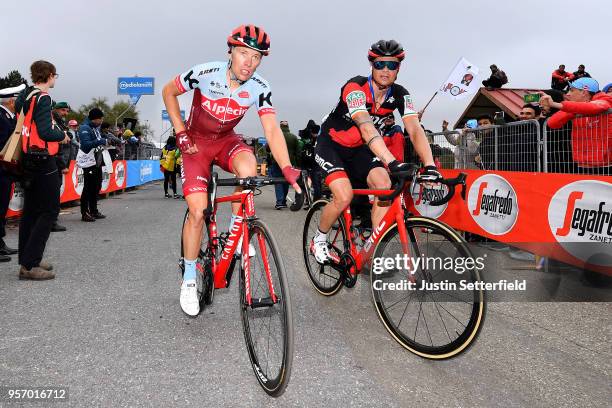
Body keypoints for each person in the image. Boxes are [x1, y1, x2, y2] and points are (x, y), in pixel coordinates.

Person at [162, 24, 301, 316]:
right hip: (195, 146)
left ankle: (239, 231)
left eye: (256, 57)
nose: (249, 62)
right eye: (243, 53)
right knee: (198, 211)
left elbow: (272, 129)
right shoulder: (205, 72)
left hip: (226, 142)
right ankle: (189, 277)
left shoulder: (260, 87)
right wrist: (180, 131)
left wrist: (287, 167)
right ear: (231, 52)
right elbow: (168, 91)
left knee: (248, 169)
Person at [310, 39, 439, 264]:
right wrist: (391, 161)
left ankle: (372, 250)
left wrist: (430, 165)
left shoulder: (401, 94)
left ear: (399, 68)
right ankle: (319, 240)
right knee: (344, 195)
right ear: (372, 65)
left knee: (383, 185)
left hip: (359, 149)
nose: (385, 70)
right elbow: (365, 124)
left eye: (392, 65)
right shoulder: (356, 87)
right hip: (331, 145)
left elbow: (414, 129)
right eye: (380, 64)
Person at [15, 60, 70, 280]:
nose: (55, 78)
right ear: (49, 75)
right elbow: (47, 132)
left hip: (28, 158)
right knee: (49, 211)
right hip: (42, 158)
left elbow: (22, 112)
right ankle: (30, 264)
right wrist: (62, 136)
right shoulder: (44, 98)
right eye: (55, 75)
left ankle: (27, 260)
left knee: (30, 211)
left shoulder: (28, 95)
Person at [542, 77, 612, 175]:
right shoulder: (576, 107)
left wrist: (555, 104)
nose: (568, 94)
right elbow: (552, 123)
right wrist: (572, 110)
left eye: (571, 90)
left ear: (584, 92)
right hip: (581, 163)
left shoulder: (605, 99)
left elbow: (595, 106)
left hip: (605, 165)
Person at [0, 84, 25, 262]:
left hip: (5, 172)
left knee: (1, 208)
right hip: (1, 171)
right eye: (17, 101)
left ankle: (0, 243)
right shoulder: (1, 118)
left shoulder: (7, 117)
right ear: (10, 101)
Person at [78, 108, 108, 221]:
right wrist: (101, 141)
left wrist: (105, 140)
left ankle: (94, 210)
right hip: (88, 161)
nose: (101, 121)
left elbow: (97, 140)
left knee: (96, 186)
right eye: (101, 119)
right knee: (88, 187)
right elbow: (85, 145)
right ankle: (85, 213)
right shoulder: (85, 128)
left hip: (97, 161)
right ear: (95, 118)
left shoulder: (95, 128)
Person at [51, 101, 72, 232]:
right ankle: (51, 221)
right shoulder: (52, 122)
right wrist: (62, 164)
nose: (65, 113)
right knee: (52, 192)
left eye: (67, 111)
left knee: (55, 191)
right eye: (63, 110)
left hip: (60, 162)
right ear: (56, 109)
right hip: (55, 162)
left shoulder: (61, 123)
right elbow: (56, 147)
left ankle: (53, 218)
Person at [268, 120, 298, 209]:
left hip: (277, 162)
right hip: (289, 163)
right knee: (286, 182)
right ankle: (284, 200)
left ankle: (280, 202)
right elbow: (298, 152)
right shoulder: (293, 137)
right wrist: (296, 164)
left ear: (280, 127)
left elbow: (268, 148)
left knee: (278, 181)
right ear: (288, 126)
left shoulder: (275, 136)